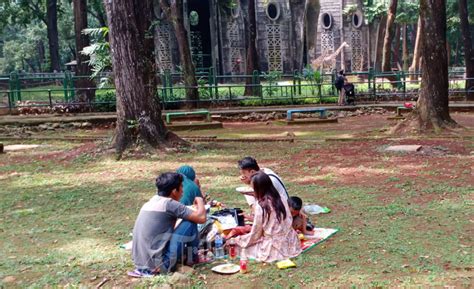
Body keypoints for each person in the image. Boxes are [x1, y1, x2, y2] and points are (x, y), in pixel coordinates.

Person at [130, 172, 206, 277]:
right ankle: (192, 259)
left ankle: (186, 257)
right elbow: (201, 218)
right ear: (174, 191)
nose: (183, 191)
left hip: (141, 264)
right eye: (181, 187)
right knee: (190, 222)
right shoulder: (169, 204)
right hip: (160, 266)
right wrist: (200, 200)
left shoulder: (150, 202)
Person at [231, 172, 301, 262]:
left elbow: (256, 233)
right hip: (291, 243)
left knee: (236, 246)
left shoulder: (262, 206)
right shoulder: (281, 198)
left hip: (274, 248)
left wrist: (239, 241)